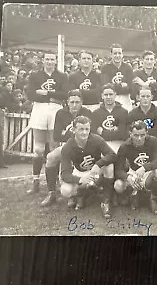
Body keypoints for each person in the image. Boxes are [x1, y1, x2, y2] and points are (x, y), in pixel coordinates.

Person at [41, 90, 94, 207]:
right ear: (67, 102)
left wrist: (67, 133)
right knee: (51, 157)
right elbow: (56, 135)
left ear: (82, 103)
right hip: (67, 145)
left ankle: (78, 194)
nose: (74, 105)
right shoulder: (61, 113)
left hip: (84, 146)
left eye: (77, 102)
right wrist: (73, 135)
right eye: (72, 102)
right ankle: (52, 193)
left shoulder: (87, 112)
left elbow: (90, 134)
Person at [26, 52, 69, 195]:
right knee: (38, 149)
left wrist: (45, 93)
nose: (50, 62)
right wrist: (53, 95)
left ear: (56, 61)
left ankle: (54, 181)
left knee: (53, 148)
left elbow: (64, 94)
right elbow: (30, 94)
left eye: (52, 59)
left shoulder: (62, 76)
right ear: (43, 60)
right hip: (39, 109)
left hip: (56, 111)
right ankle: (35, 181)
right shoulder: (35, 76)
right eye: (47, 59)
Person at [60, 116, 116, 219]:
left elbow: (112, 155)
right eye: (81, 129)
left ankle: (106, 201)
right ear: (73, 130)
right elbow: (64, 174)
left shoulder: (97, 139)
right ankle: (80, 194)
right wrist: (80, 179)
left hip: (95, 171)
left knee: (109, 166)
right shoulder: (67, 147)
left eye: (87, 129)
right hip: (80, 172)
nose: (84, 132)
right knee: (65, 190)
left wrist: (98, 164)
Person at [114, 121, 157, 214]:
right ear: (130, 134)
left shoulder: (153, 141)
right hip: (134, 172)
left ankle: (154, 198)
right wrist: (128, 178)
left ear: (146, 133)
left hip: (149, 172)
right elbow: (118, 169)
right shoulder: (125, 146)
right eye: (136, 135)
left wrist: (145, 168)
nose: (139, 138)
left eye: (142, 135)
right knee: (118, 185)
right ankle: (133, 195)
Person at [92, 83, 128, 153]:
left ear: (115, 95)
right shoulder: (96, 113)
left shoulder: (123, 112)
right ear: (102, 96)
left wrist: (102, 132)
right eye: (106, 95)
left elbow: (122, 133)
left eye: (111, 94)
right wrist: (115, 130)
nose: (108, 97)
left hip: (119, 143)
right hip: (102, 144)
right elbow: (95, 134)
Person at [101, 43, 134, 111]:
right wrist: (122, 85)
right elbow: (106, 86)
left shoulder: (128, 67)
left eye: (119, 53)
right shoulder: (105, 67)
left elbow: (131, 87)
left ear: (122, 54)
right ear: (111, 54)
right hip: (112, 98)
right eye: (115, 53)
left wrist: (114, 86)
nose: (117, 55)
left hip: (126, 98)